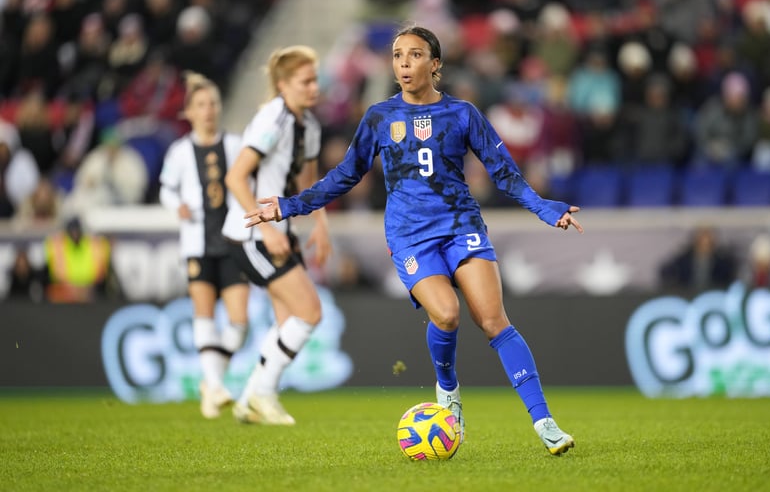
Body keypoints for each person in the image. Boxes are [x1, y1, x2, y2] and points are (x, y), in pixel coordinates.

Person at [242, 26, 582, 455]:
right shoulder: (380, 117)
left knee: (495, 321)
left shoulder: (463, 114)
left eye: (415, 55)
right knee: (446, 314)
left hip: (461, 226)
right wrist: (289, 206)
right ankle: (448, 392)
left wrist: (543, 207)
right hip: (410, 235)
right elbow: (346, 175)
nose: (404, 63)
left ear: (434, 64)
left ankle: (545, 422)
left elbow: (503, 172)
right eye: (398, 55)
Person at [221, 45, 332, 425]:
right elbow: (235, 177)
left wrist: (321, 223)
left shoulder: (310, 126)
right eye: (305, 81)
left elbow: (309, 182)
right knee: (310, 311)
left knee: (290, 320)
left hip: (280, 233)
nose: (313, 87)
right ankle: (262, 393)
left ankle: (250, 398)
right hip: (251, 234)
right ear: (283, 85)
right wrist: (267, 228)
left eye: (315, 79)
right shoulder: (273, 119)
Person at [158, 71, 250, 420]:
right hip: (196, 242)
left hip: (231, 241)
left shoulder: (236, 145)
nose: (209, 110)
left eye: (213, 103)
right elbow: (166, 188)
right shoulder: (180, 152)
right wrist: (175, 205)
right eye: (201, 105)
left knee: (239, 324)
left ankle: (211, 384)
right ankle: (214, 385)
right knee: (204, 313)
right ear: (189, 112)